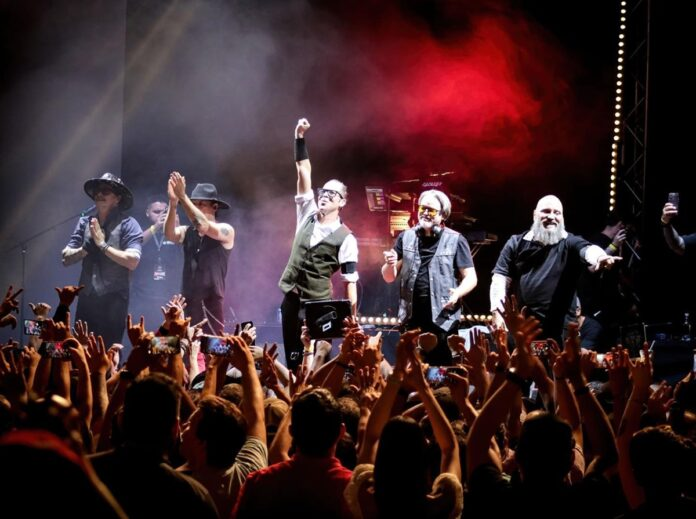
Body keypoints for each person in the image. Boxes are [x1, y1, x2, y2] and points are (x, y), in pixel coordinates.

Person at [278, 118, 359, 369]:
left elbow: (350, 282)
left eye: (332, 193)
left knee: (315, 361)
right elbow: (303, 171)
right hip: (292, 299)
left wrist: (351, 317)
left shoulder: (346, 238)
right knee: (293, 358)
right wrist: (299, 137)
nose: (325, 195)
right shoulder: (307, 213)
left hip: (318, 305)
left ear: (342, 202)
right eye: (323, 191)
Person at [489, 195, 620, 343]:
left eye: (557, 212)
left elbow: (587, 249)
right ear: (535, 215)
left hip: (561, 333)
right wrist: (497, 314)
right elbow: (499, 279)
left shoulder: (569, 242)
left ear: (562, 217)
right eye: (546, 211)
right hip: (524, 328)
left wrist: (600, 257)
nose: (551, 216)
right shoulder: (516, 243)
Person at [381, 189, 477, 365]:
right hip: (411, 319)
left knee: (439, 371)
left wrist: (457, 293)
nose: (425, 213)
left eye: (431, 210)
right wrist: (390, 264)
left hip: (442, 320)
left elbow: (471, 277)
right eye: (422, 208)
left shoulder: (456, 240)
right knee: (410, 370)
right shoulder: (406, 237)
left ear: (443, 215)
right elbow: (388, 277)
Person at [62, 172, 142, 347]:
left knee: (109, 351)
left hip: (114, 299)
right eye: (97, 191)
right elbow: (65, 258)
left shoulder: (129, 224)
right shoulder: (85, 222)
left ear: (117, 198)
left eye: (106, 191)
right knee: (80, 349)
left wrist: (103, 246)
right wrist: (85, 249)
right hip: (87, 298)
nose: (99, 194)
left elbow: (133, 261)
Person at [165, 172, 235, 335]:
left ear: (215, 207)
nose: (194, 207)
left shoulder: (226, 230)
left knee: (212, 348)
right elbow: (169, 234)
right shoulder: (188, 231)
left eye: (201, 204)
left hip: (211, 303)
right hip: (187, 301)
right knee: (179, 345)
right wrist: (173, 203)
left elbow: (203, 226)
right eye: (193, 203)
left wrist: (183, 197)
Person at [576, 213, 638, 350]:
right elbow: (591, 268)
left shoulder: (615, 243)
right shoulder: (597, 241)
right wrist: (614, 246)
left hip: (609, 301)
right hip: (595, 302)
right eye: (625, 228)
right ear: (620, 225)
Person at [129, 195, 183, 338]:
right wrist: (156, 226)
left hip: (168, 298)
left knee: (164, 344)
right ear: (147, 213)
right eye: (156, 212)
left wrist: (177, 226)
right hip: (142, 297)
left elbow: (186, 252)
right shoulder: (141, 231)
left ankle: (161, 352)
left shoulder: (176, 233)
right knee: (142, 341)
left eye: (165, 212)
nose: (161, 216)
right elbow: (134, 244)